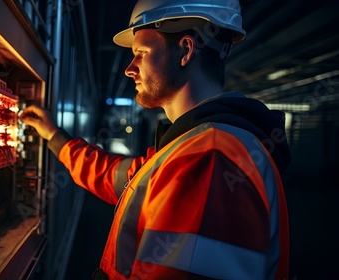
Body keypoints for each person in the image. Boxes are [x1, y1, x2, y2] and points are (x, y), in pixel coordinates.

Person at [20, 0, 291, 279]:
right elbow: (117, 177)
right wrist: (54, 136)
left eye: (141, 52)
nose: (129, 68)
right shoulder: (189, 147)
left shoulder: (210, 158)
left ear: (185, 50)